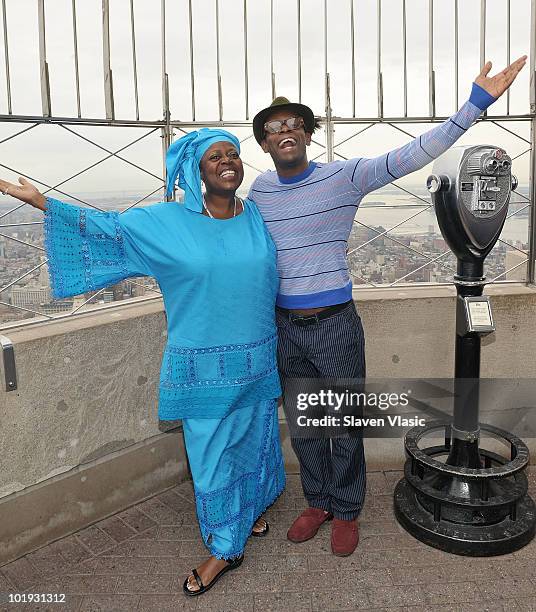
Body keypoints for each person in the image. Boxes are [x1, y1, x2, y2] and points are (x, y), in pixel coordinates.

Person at [249, 56, 527, 557]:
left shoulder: (344, 177)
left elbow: (412, 155)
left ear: (309, 134)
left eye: (294, 124)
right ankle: (318, 501)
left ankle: (348, 509)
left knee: (344, 421)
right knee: (303, 420)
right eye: (273, 128)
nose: (284, 131)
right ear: (265, 143)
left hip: (334, 322)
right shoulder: (261, 192)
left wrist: (476, 105)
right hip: (284, 324)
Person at [0, 128, 285, 595]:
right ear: (196, 170)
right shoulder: (166, 222)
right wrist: (42, 202)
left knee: (252, 444)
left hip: (256, 359)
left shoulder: (252, 214)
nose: (228, 161)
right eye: (215, 156)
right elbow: (107, 228)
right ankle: (224, 548)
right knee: (212, 455)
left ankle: (243, 516)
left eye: (233, 154)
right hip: (203, 368)